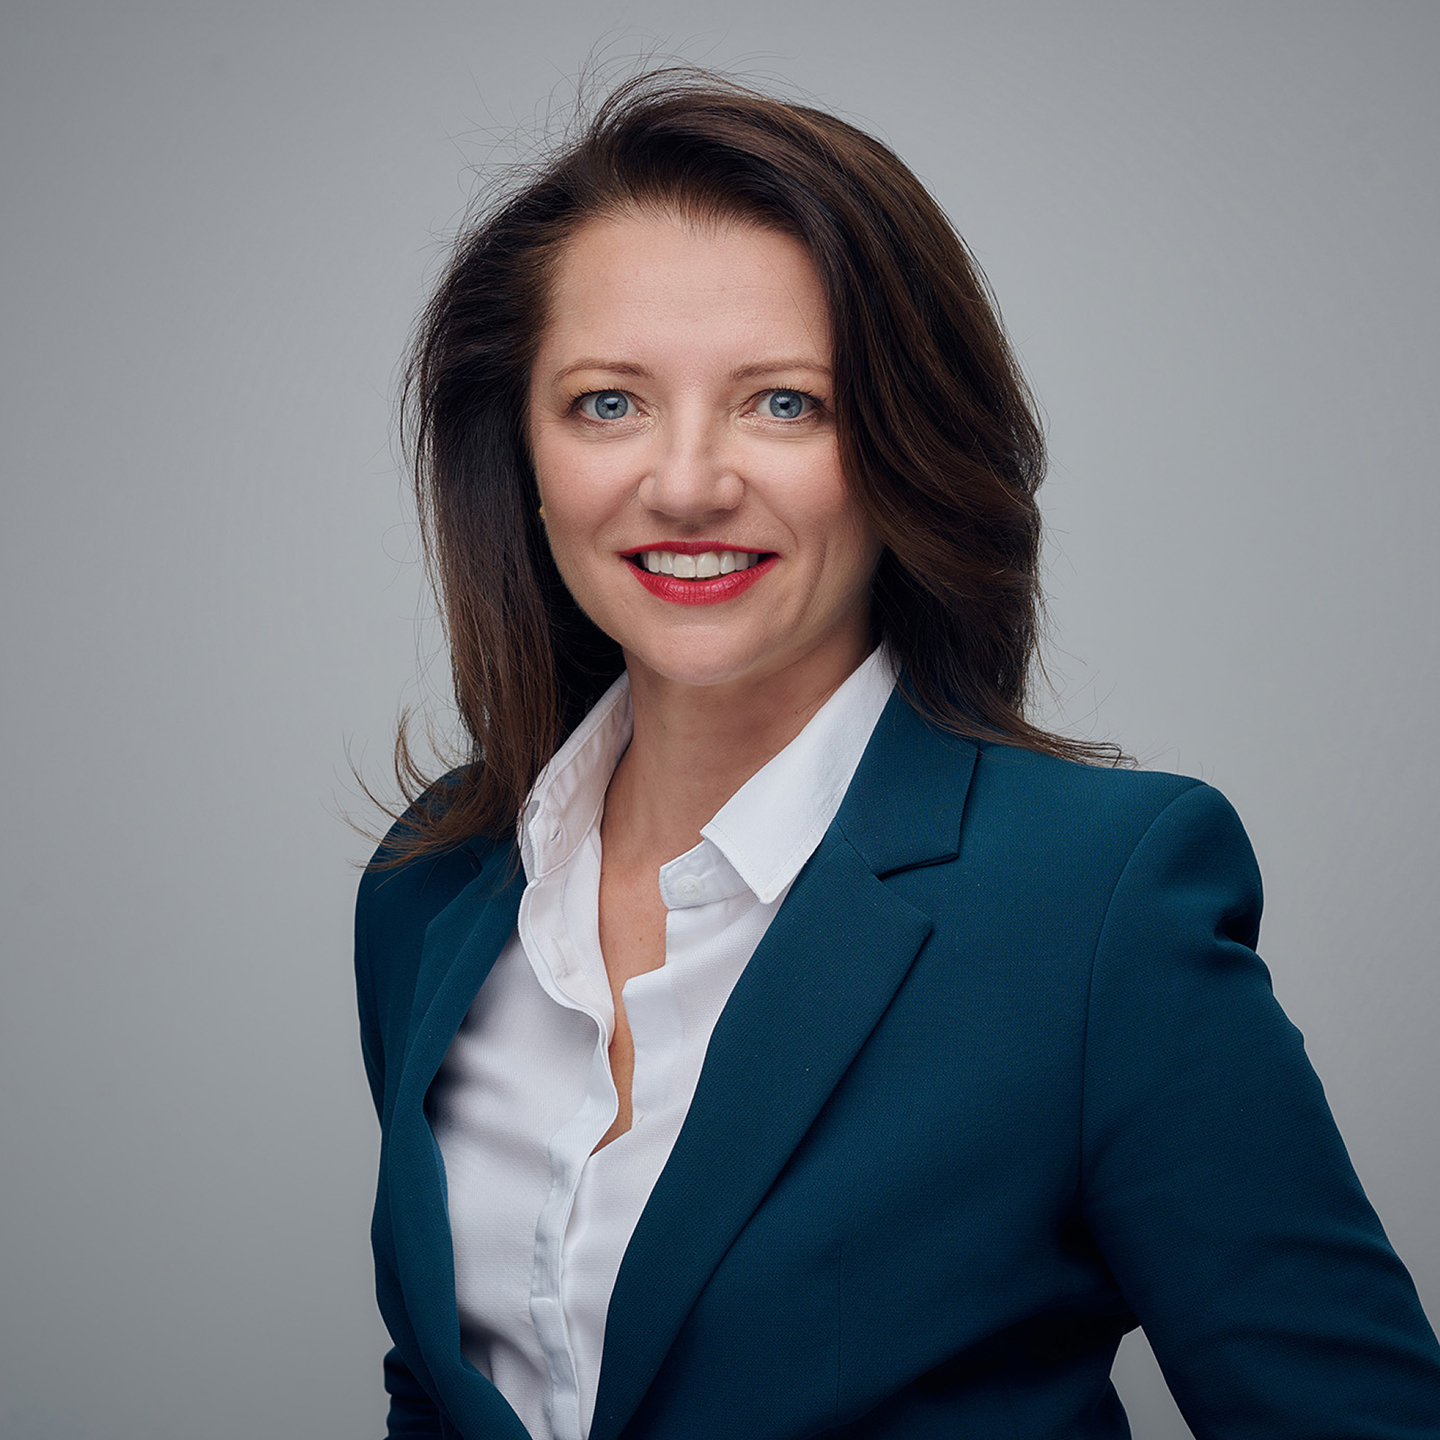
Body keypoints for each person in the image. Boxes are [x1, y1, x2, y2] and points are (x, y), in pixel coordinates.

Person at [354, 71, 1440, 1440]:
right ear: (518, 450)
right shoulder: (432, 883)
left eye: (785, 404)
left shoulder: (1096, 908)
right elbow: (445, 1388)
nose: (685, 482)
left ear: (903, 446)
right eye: (608, 404)